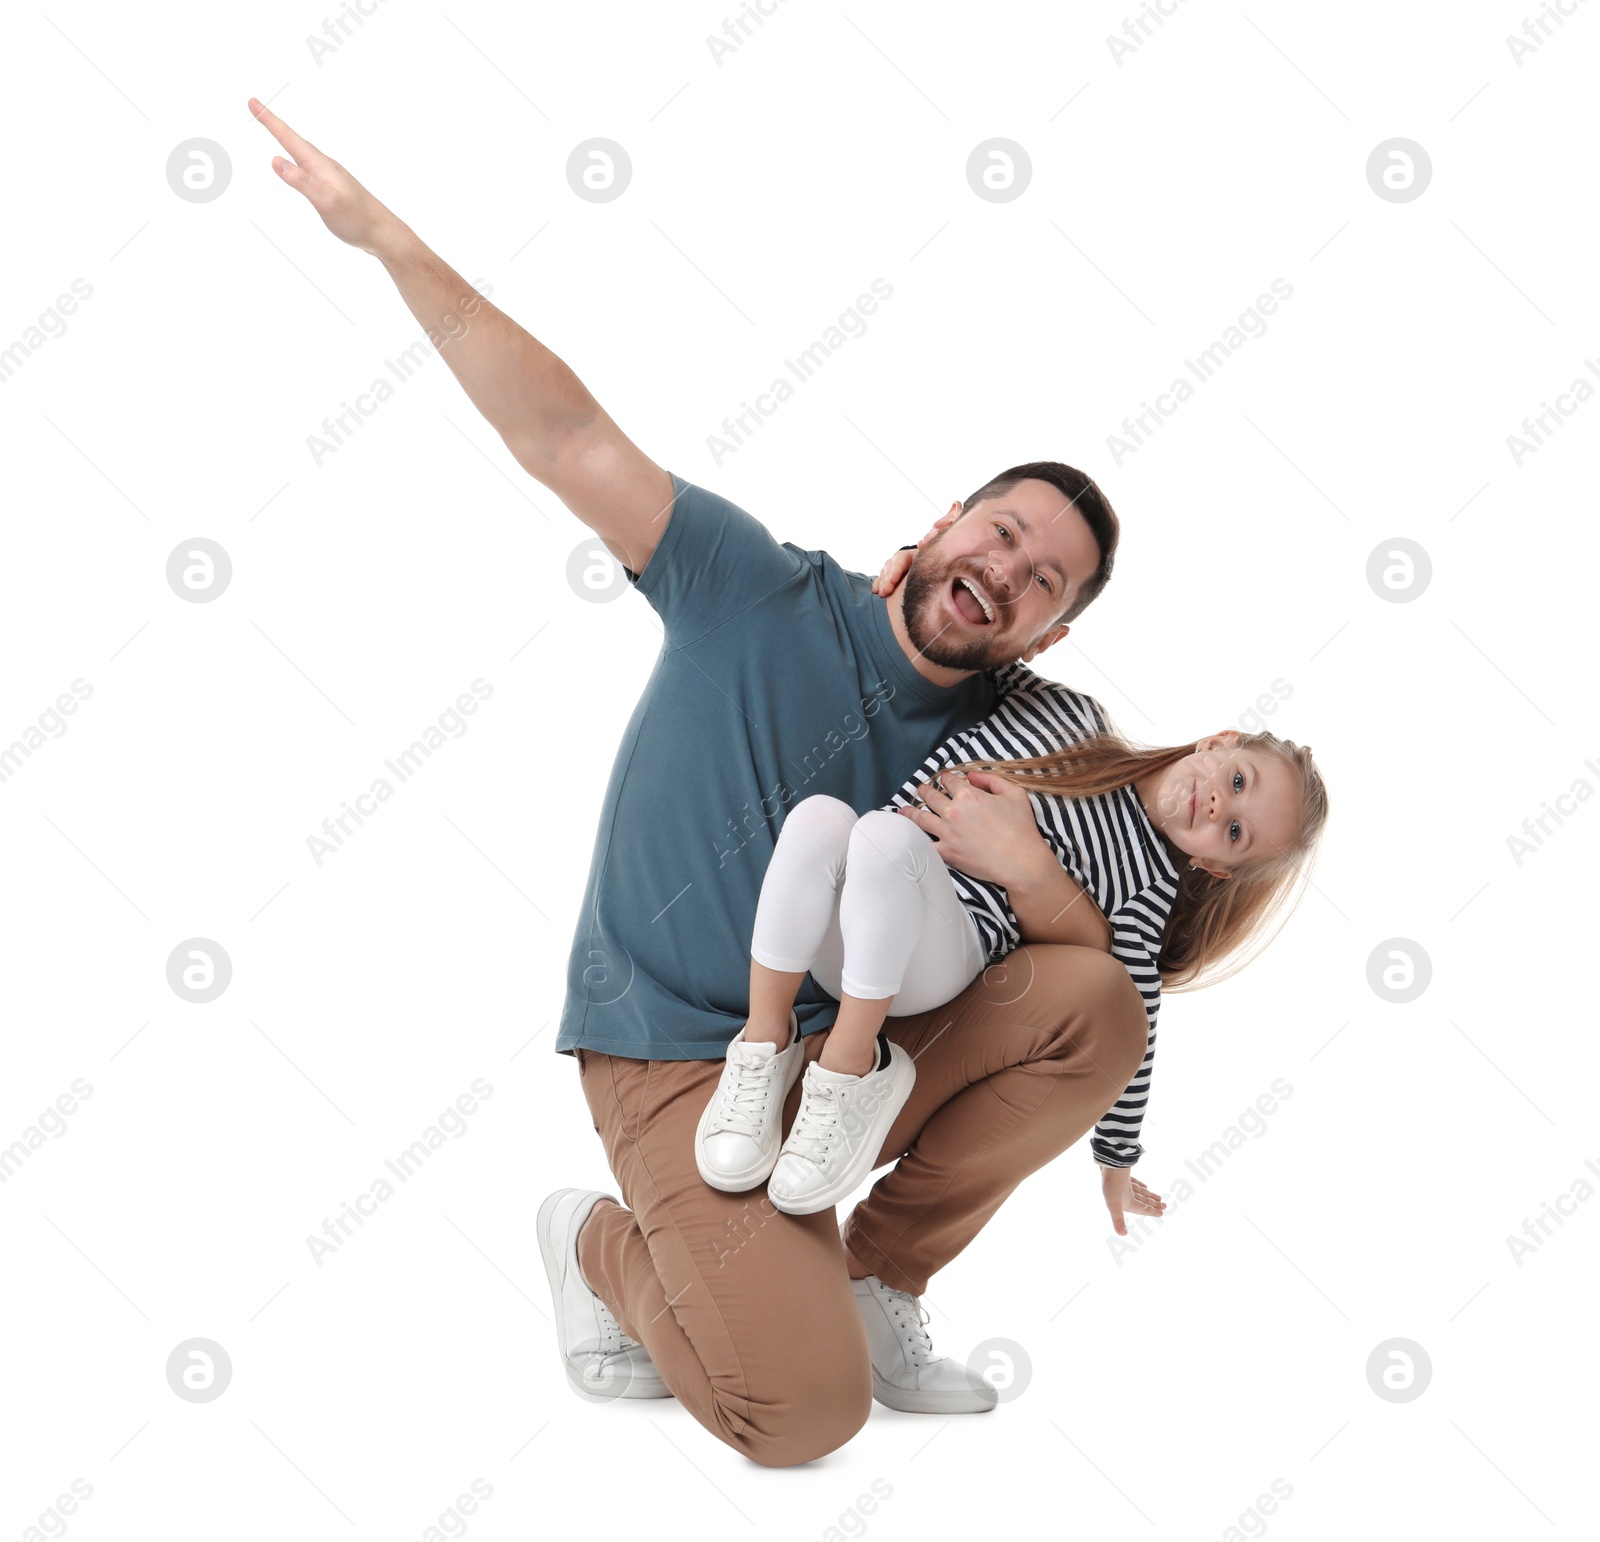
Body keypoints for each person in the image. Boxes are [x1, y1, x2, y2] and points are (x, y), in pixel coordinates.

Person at [248, 96, 1246, 1468]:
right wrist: (387, 241)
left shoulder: (1044, 735)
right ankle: (601, 1246)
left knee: (1092, 1005)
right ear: (943, 519)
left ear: (1051, 628)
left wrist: (1027, 867)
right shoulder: (753, 590)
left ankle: (876, 1281)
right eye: (1003, 532)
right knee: (799, 1416)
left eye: (1043, 580)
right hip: (682, 1048)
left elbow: (1114, 968)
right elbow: (568, 440)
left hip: (857, 1063)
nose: (1007, 571)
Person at [693, 654, 1327, 1218]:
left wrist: (1117, 1161)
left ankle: (851, 1069)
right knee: (818, 819)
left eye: (1236, 834)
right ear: (1219, 741)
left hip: (940, 952)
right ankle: (761, 1046)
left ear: (1215, 868)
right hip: (849, 929)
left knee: (885, 839)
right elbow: (964, 648)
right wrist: (914, 560)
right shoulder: (1070, 714)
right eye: (1239, 781)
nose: (1220, 807)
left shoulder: (1148, 887)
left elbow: (1134, 1031)